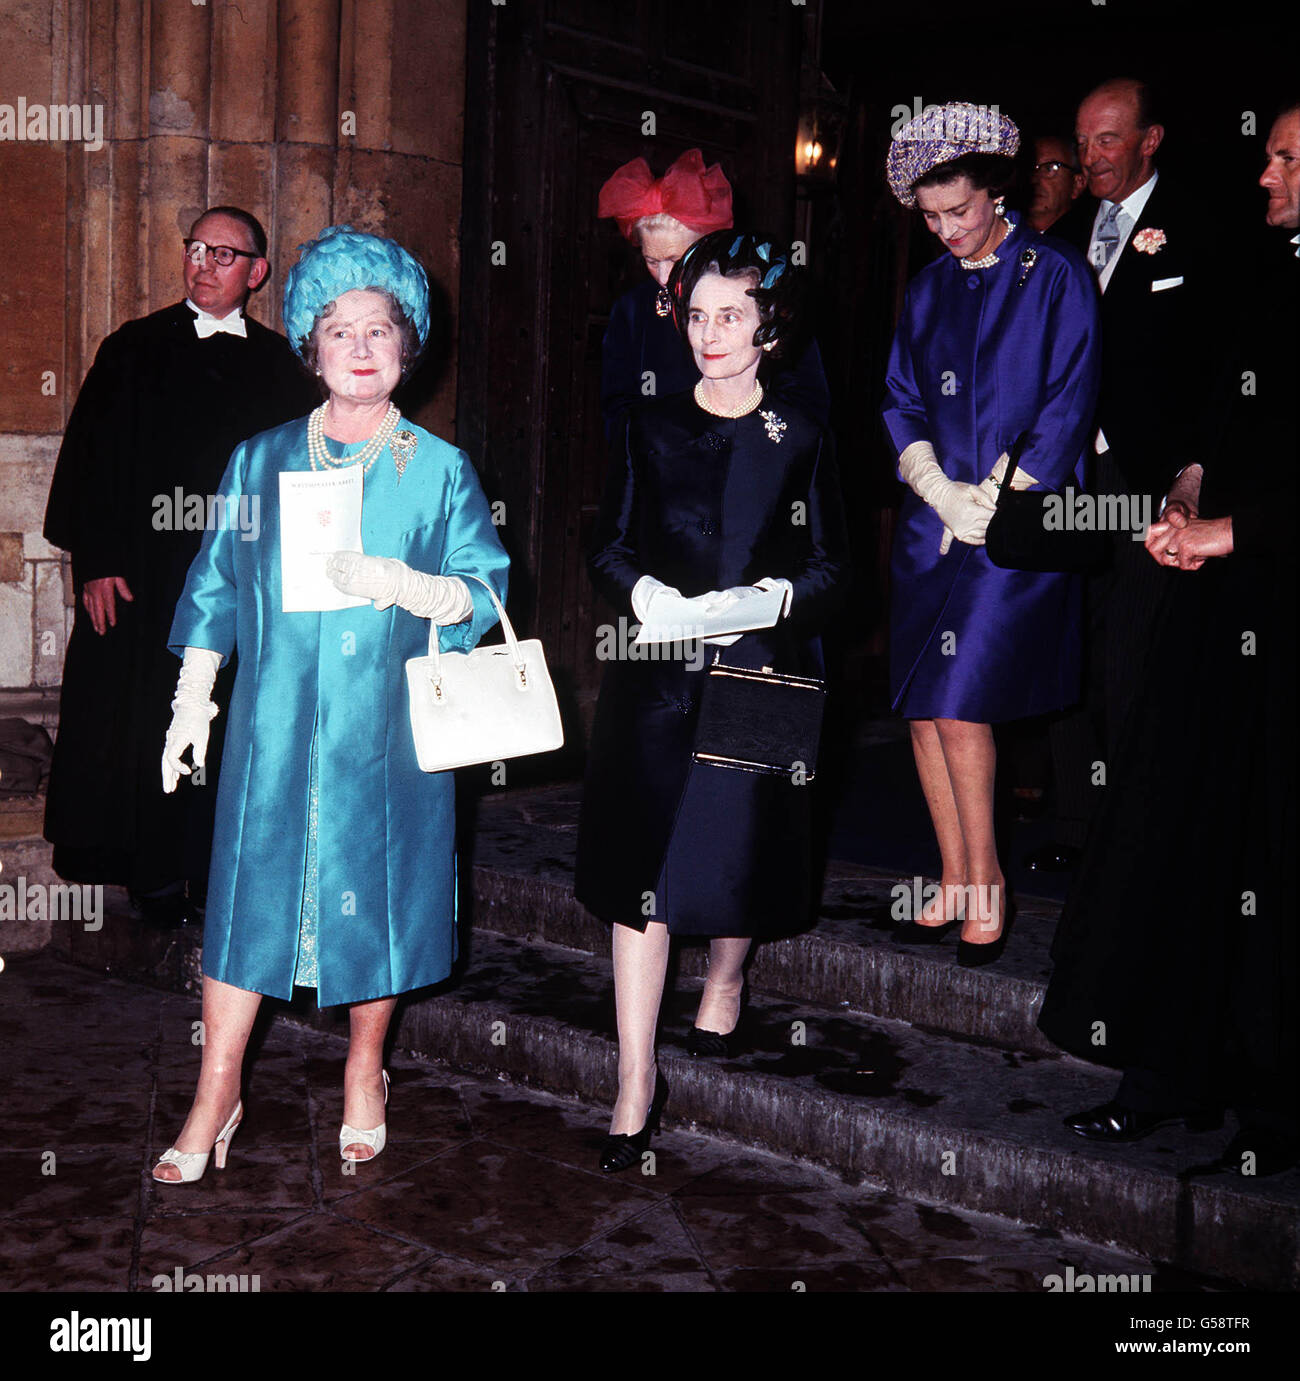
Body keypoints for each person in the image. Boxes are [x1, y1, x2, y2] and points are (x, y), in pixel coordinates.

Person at [151, 226, 509, 1181]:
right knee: (240, 899)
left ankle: (365, 1067)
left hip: (382, 733)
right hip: (270, 729)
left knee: (378, 898)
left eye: (380, 330)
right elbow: (216, 582)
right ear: (310, 344)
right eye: (340, 329)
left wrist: (413, 585)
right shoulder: (258, 461)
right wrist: (193, 701)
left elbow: (486, 590)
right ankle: (215, 1087)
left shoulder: (437, 468)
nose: (359, 346)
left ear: (406, 348)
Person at [1039, 103, 1299, 1173]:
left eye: (1286, 158)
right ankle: (1168, 1067)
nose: (1265, 174)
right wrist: (1190, 488)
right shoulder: (1273, 263)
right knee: (1179, 820)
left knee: (1273, 851)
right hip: (1219, 600)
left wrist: (1238, 528)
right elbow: (1226, 411)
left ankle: (1275, 1101)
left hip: (1282, 604)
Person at [575, 231, 848, 1172]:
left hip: (765, 664)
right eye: (696, 314)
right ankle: (634, 1079)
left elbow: (833, 569)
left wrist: (763, 602)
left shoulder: (803, 431)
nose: (709, 332)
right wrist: (649, 598)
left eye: (731, 313)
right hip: (656, 677)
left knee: (742, 852)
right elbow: (604, 544)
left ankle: (728, 977)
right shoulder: (650, 425)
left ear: (771, 323)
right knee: (638, 869)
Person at [42, 207, 316, 925]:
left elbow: (307, 472)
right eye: (196, 248)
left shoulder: (284, 367)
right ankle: (152, 874)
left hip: (242, 577)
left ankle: (216, 872)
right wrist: (95, 560)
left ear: (257, 272)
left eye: (225, 254)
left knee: (228, 723)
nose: (204, 263)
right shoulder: (131, 348)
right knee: (143, 720)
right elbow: (91, 462)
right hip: (142, 577)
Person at [880, 102, 1101, 965]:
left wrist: (1000, 496)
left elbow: (1069, 399)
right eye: (930, 217)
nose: (946, 231)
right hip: (931, 527)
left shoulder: (1055, 274)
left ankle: (989, 882)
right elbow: (899, 396)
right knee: (923, 710)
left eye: (959, 212)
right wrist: (935, 484)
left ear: (996, 192)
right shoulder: (928, 286)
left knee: (965, 704)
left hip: (1014, 528)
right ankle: (949, 871)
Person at [1027, 78, 1215, 874]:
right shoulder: (1062, 234)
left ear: (1151, 140)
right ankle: (1076, 824)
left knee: (1135, 653)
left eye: (1108, 140)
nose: (1090, 156)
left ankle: (1139, 834)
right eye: (1083, 140)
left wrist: (1194, 474)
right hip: (1069, 478)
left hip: (1148, 483)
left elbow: (1217, 367)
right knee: (1068, 643)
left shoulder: (1202, 230)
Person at [598, 149, 830, 436]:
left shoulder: (762, 294)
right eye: (651, 261)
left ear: (708, 245)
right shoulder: (632, 309)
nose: (664, 277)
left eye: (675, 259)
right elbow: (618, 405)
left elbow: (805, 399)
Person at [1026, 132, 1089, 236]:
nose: (1034, 179)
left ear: (1077, 184)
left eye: (1049, 168)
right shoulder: (1005, 236)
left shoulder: (1085, 243)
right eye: (1030, 168)